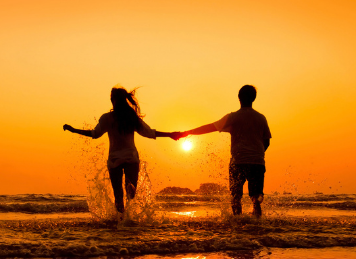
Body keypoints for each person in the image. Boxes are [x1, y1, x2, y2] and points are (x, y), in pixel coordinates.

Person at [63, 87, 176, 214]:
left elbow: (94, 134)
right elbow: (149, 133)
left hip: (114, 160)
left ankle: (121, 221)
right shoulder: (132, 118)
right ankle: (130, 188)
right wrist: (170, 134)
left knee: (118, 196)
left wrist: (74, 130)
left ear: (113, 100)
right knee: (131, 195)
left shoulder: (107, 118)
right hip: (131, 158)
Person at [176, 85, 271, 217]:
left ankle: (237, 223)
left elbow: (211, 127)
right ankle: (257, 226)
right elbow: (266, 141)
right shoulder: (261, 118)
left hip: (238, 162)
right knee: (256, 198)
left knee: (236, 196)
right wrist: (256, 154)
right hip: (257, 163)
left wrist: (187, 133)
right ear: (254, 98)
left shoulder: (233, 117)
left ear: (239, 98)